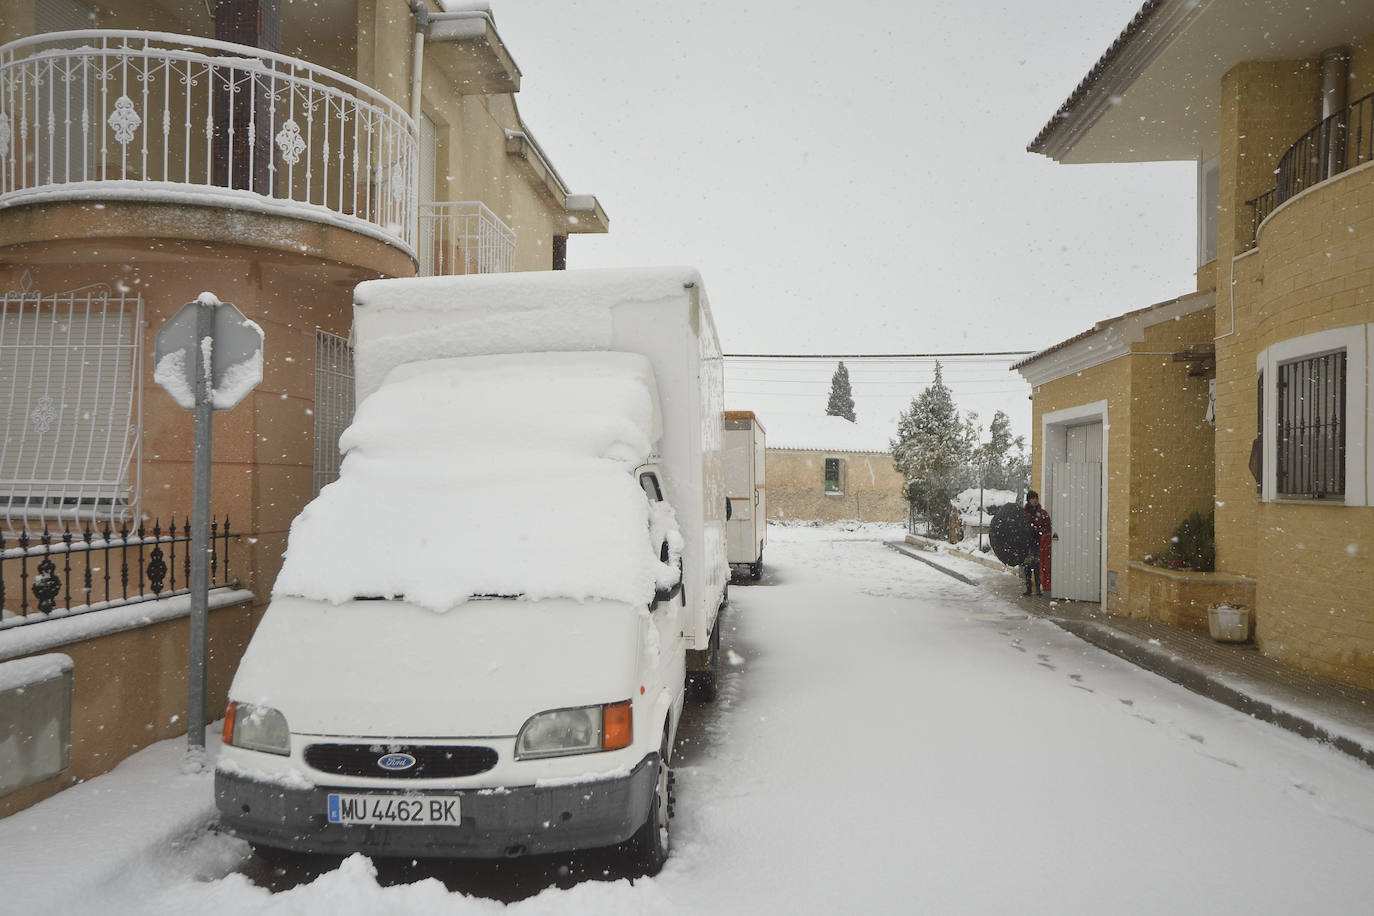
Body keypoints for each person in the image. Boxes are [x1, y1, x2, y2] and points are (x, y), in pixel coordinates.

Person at [1021, 490, 1052, 596]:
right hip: (1027, 545)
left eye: (1036, 498)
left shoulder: (1042, 513)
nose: (1034, 500)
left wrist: (1039, 532)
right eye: (1032, 498)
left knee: (1038, 565)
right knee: (1027, 565)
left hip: (1039, 545)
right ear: (1028, 500)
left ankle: (1038, 588)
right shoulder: (1023, 513)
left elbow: (1047, 527)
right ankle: (1028, 588)